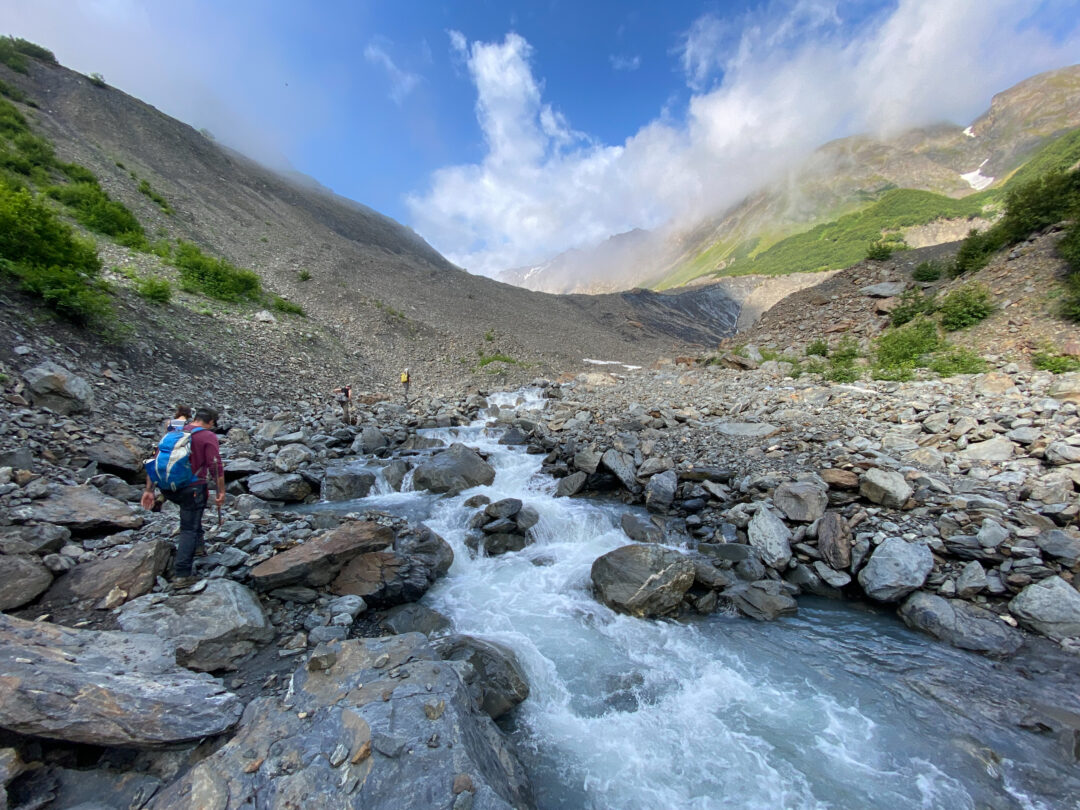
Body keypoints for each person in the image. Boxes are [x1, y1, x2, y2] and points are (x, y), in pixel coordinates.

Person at [141, 407, 226, 586]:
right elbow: (215, 466)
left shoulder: (175, 430)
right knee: (189, 527)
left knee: (193, 518)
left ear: (195, 418)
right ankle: (182, 574)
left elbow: (155, 460)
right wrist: (221, 492)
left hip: (167, 488)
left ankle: (198, 547)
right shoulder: (207, 436)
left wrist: (149, 490)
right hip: (192, 489)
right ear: (211, 422)